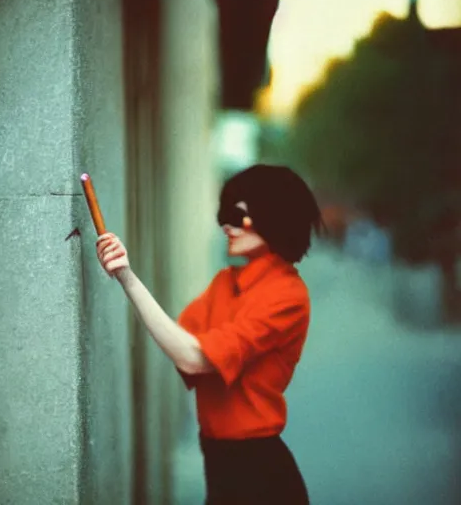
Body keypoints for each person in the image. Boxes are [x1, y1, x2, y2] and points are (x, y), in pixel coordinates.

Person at [96, 163, 323, 504]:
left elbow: (193, 357)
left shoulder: (287, 295)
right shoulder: (225, 285)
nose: (226, 225)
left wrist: (127, 276)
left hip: (259, 474)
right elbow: (179, 342)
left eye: (239, 215)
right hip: (220, 466)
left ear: (274, 218)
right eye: (224, 213)